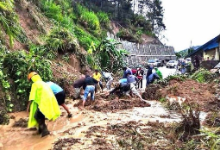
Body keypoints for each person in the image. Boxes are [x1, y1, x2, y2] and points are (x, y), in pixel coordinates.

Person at [27, 72, 61, 137]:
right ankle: (40, 130)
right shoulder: (44, 83)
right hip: (50, 102)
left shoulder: (35, 84)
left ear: (32, 79)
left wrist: (28, 107)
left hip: (44, 103)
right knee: (41, 115)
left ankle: (45, 131)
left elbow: (32, 97)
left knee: (37, 116)